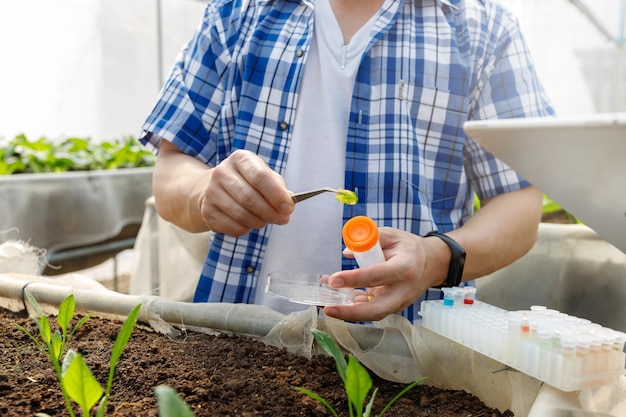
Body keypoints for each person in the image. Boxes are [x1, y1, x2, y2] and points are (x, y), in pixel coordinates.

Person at [139, 0, 554, 323]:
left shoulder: (483, 28)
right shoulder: (236, 14)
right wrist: (204, 193)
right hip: (241, 345)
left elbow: (519, 205)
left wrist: (433, 259)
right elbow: (173, 167)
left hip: (408, 359)